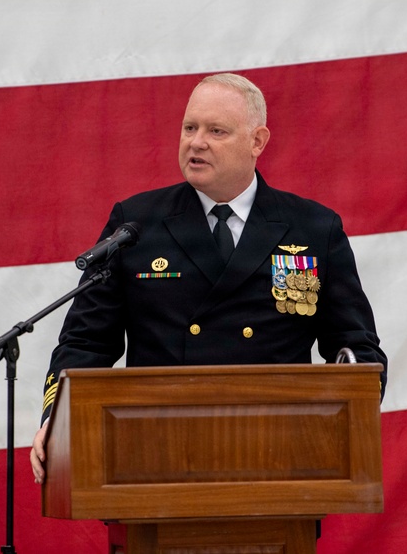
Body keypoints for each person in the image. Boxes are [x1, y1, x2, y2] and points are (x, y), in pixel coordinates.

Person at [30, 73, 385, 483]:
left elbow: (355, 346)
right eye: (189, 128)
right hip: (153, 458)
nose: (196, 142)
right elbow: (86, 341)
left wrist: (350, 414)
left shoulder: (312, 228)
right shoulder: (136, 223)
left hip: (281, 460)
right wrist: (55, 420)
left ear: (257, 141)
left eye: (216, 131)